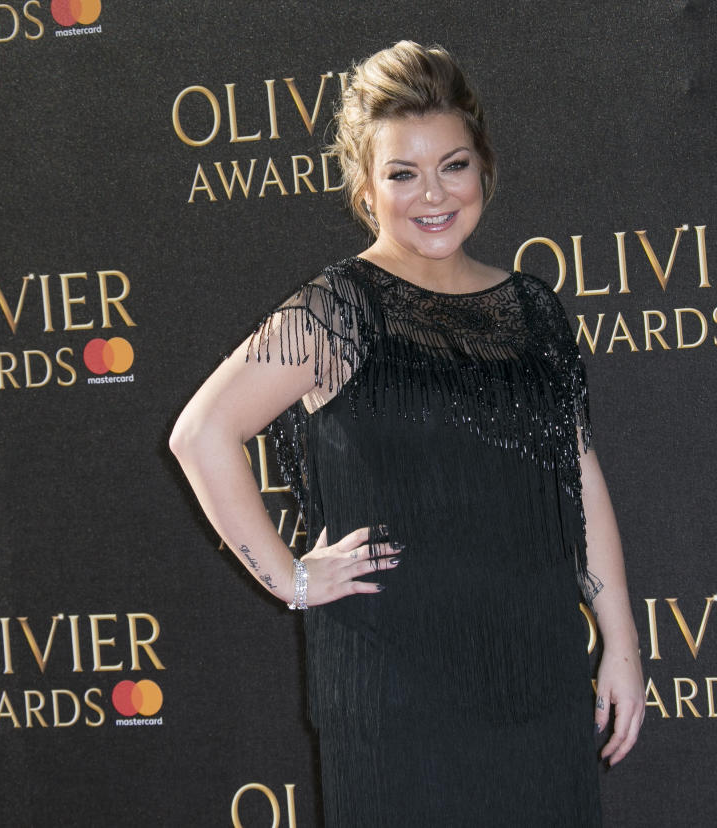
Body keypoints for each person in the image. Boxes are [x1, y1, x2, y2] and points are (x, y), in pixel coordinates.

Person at [170, 40, 644, 826]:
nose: (433, 193)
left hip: (540, 677)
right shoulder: (341, 307)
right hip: (399, 695)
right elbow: (202, 435)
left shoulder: (534, 309)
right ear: (365, 186)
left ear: (483, 167)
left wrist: (619, 637)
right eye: (401, 173)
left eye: (452, 165)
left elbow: (577, 469)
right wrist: (290, 578)